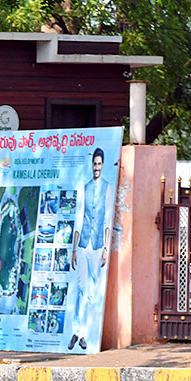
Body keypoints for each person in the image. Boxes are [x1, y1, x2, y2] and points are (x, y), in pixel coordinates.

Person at [69, 147, 111, 351]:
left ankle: (85, 331)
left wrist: (105, 248)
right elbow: (79, 217)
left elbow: (107, 220)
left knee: (92, 293)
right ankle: (79, 333)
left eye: (99, 164)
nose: (96, 167)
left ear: (103, 165)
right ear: (91, 165)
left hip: (97, 246)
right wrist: (74, 249)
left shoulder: (107, 187)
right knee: (81, 289)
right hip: (83, 243)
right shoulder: (84, 187)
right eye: (94, 164)